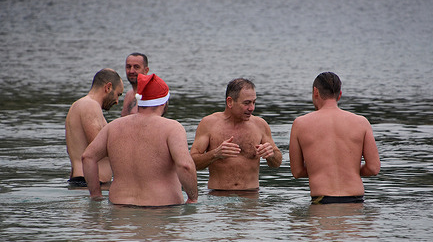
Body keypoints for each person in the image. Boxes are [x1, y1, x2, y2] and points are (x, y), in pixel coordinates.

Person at [82, 73, 198, 206]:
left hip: (118, 208)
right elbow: (185, 166)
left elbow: (87, 157)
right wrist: (193, 199)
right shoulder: (172, 128)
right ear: (164, 102)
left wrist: (96, 195)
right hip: (161, 210)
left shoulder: (113, 126)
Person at [289, 72, 380, 204]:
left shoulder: (300, 124)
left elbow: (297, 172)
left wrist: (320, 169)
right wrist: (351, 169)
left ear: (316, 92)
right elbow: (373, 168)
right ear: (340, 94)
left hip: (322, 201)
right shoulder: (361, 122)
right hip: (356, 201)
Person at [190, 78, 282, 192]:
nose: (252, 108)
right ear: (230, 102)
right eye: (246, 103)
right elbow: (191, 163)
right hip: (218, 198)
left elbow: (277, 163)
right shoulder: (209, 124)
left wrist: (271, 155)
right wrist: (215, 154)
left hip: (251, 197)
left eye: (254, 102)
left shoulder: (260, 125)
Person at [65, 68, 124, 187]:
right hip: (88, 184)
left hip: (83, 181)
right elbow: (98, 146)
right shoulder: (90, 105)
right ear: (108, 87)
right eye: (118, 94)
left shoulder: (79, 104)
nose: (117, 101)